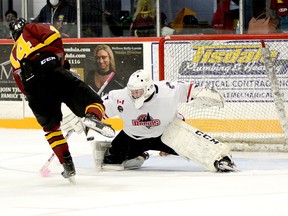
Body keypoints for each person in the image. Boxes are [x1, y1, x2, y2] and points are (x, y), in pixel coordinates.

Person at [8, 18, 115, 181]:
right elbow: (53, 35)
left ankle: (67, 164)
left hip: (32, 88)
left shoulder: (13, 55)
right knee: (94, 102)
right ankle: (92, 117)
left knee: (51, 128)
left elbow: (22, 87)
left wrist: (37, 99)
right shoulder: (31, 28)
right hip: (50, 69)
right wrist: (60, 61)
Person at [93, 69, 237, 172]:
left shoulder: (168, 91)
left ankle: (221, 158)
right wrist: (87, 113)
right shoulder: (120, 97)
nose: (134, 95)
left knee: (195, 148)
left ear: (148, 88)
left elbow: (189, 89)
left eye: (138, 91)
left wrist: (201, 93)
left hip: (166, 134)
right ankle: (139, 155)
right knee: (109, 163)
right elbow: (97, 109)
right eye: (132, 91)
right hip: (133, 138)